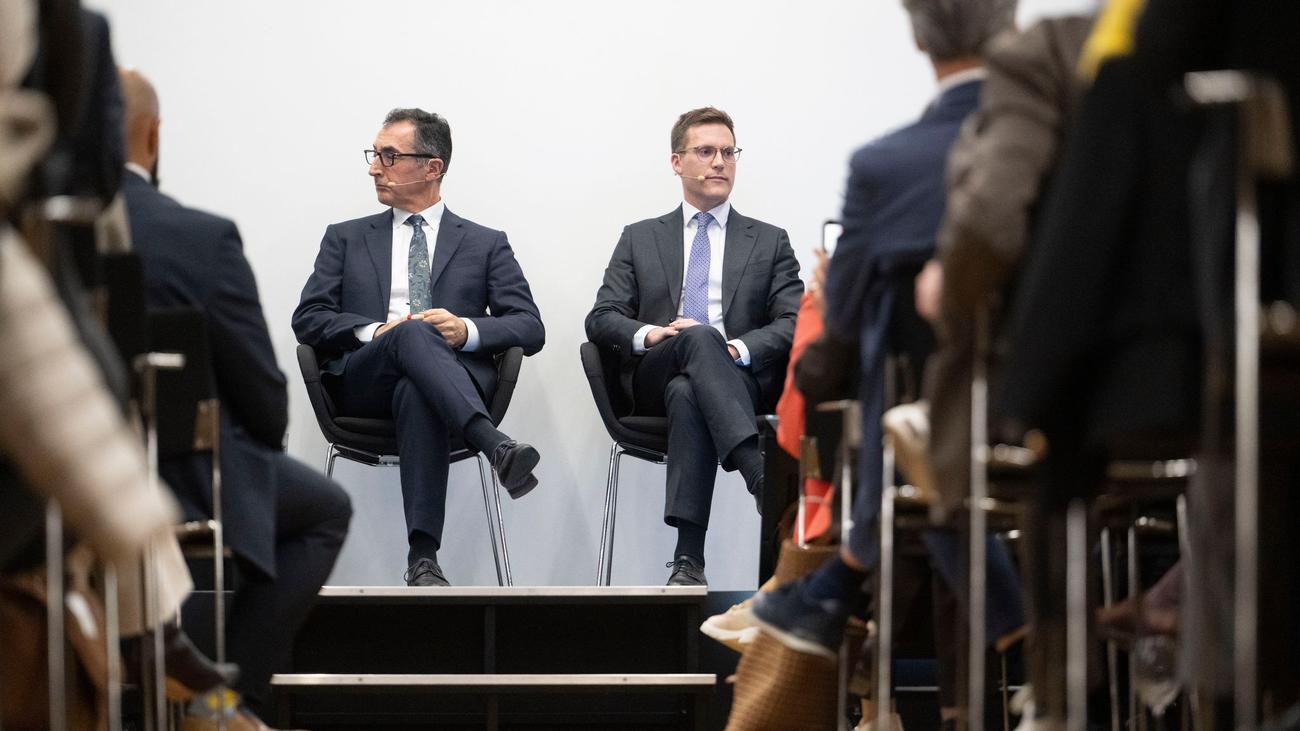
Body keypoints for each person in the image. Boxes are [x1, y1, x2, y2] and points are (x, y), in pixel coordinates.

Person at [748, 2, 1023, 728]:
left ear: (918, 35)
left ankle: (840, 584)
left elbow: (839, 329)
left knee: (899, 413)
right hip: (1060, 424)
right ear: (1010, 26)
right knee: (922, 437)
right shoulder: (1064, 145)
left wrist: (812, 380)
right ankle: (1008, 643)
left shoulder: (886, 165)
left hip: (926, 439)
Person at [120, 69, 352, 728]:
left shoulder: (27, 234)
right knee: (325, 508)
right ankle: (221, 702)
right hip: (182, 477)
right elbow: (264, 403)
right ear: (153, 136)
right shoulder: (199, 237)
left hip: (47, 487)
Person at [293, 108, 544, 588]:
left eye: (389, 156)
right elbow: (309, 317)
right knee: (409, 331)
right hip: (364, 381)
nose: (374, 168)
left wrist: (465, 330)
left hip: (444, 388)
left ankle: (423, 559)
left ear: (432, 166)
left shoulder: (486, 243)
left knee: (417, 387)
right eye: (374, 155)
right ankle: (495, 445)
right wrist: (376, 332)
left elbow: (529, 327)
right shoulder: (345, 237)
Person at [585, 106, 803, 586]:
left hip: (737, 379)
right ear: (676, 162)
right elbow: (602, 317)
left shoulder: (770, 241)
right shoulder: (640, 237)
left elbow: (794, 321)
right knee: (695, 340)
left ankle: (688, 560)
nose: (720, 162)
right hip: (656, 369)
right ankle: (756, 471)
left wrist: (735, 349)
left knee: (689, 388)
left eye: (729, 152)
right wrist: (652, 334)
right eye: (706, 151)